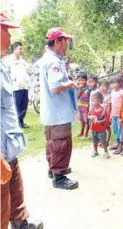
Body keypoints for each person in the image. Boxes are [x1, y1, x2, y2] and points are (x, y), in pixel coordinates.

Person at [1, 12, 43, 229]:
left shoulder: (2, 65)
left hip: (9, 144)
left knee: (15, 187)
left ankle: (20, 222)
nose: (9, 36)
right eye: (5, 30)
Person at [40, 27, 78, 190]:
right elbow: (55, 87)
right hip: (58, 112)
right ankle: (59, 176)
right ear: (57, 42)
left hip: (51, 113)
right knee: (61, 143)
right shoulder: (54, 61)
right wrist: (69, 83)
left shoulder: (48, 58)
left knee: (52, 142)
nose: (66, 45)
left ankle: (54, 169)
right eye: (65, 42)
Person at [6, 42, 30, 128]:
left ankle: (21, 121)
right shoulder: (9, 60)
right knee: (17, 105)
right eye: (20, 49)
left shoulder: (22, 60)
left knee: (24, 104)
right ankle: (16, 123)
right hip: (16, 87)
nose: (21, 51)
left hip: (24, 85)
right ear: (15, 49)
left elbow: (27, 70)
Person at [89, 91, 110, 159]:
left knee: (103, 142)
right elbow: (88, 115)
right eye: (91, 100)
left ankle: (106, 152)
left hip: (101, 130)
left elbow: (106, 119)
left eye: (93, 100)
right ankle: (95, 151)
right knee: (94, 141)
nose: (92, 102)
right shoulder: (92, 109)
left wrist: (99, 121)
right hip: (94, 129)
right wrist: (90, 117)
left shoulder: (103, 110)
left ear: (99, 101)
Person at [109, 75, 123, 154]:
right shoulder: (112, 92)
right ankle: (117, 143)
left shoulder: (122, 92)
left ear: (120, 83)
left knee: (120, 130)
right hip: (114, 114)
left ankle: (121, 146)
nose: (112, 85)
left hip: (119, 115)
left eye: (114, 83)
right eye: (111, 83)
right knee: (115, 129)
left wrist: (122, 115)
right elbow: (111, 103)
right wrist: (110, 114)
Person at [76, 72, 91, 139]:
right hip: (80, 106)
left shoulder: (89, 88)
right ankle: (81, 132)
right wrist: (80, 89)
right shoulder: (78, 88)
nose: (81, 82)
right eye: (79, 80)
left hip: (86, 107)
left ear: (86, 80)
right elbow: (77, 96)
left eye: (82, 80)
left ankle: (86, 134)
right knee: (81, 120)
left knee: (86, 121)